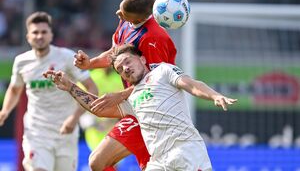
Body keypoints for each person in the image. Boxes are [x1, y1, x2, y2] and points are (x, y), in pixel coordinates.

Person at [44, 44, 238, 171]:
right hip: (159, 161)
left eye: (128, 62)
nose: (125, 68)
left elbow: (191, 84)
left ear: (143, 59)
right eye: (120, 69)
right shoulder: (131, 97)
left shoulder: (163, 71)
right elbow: (98, 108)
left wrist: (214, 95)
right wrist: (70, 86)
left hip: (186, 152)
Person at [73, 0, 177, 170]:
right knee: (98, 161)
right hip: (135, 108)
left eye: (123, 14)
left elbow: (156, 82)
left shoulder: (154, 39)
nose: (118, 14)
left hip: (155, 111)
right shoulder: (126, 22)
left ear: (138, 19)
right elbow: (115, 54)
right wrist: (90, 63)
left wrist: (120, 95)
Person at [0, 11, 98, 171]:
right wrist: (4, 111)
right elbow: (15, 88)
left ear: (51, 35)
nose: (40, 36)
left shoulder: (66, 57)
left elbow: (92, 88)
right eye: (35, 32)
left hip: (65, 130)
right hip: (37, 130)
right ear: (28, 37)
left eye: (44, 32)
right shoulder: (21, 62)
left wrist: (74, 119)